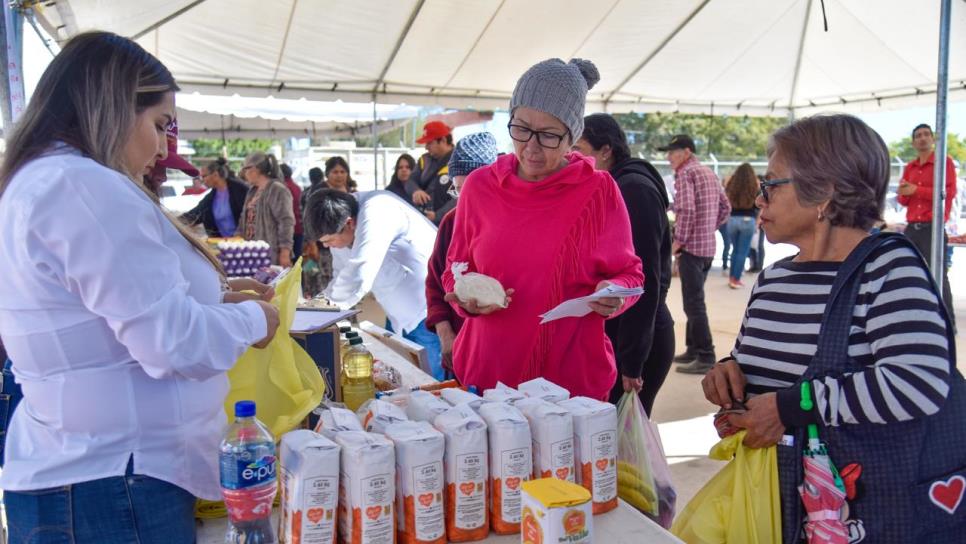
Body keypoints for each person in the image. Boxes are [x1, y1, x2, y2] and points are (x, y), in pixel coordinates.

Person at [0, 31, 280, 542]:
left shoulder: (43, 181)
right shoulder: (82, 185)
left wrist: (214, 299)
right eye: (158, 125)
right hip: (112, 481)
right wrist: (254, 318)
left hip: (94, 473)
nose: (162, 146)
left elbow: (108, 313)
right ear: (111, 107)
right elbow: (172, 343)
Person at [700, 114, 963, 542]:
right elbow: (778, 373)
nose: (758, 198)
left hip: (863, 513)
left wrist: (789, 408)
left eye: (771, 184)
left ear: (824, 190)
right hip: (781, 507)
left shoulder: (887, 268)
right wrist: (731, 377)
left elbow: (920, 381)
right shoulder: (773, 279)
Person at [441, 58, 643, 401]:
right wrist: (466, 300)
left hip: (569, 382)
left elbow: (631, 275)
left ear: (572, 136)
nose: (531, 147)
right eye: (521, 128)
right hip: (489, 375)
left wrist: (614, 293)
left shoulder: (597, 191)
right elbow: (454, 269)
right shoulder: (479, 187)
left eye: (549, 135)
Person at [574, 113, 674, 415]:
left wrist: (632, 361)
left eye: (580, 149)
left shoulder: (633, 189)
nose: (573, 158)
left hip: (638, 338)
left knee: (623, 447)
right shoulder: (612, 185)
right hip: (623, 334)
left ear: (606, 151)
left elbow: (645, 282)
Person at [304, 188, 444, 378]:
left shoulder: (378, 209)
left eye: (329, 240)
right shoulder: (340, 221)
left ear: (349, 223)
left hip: (426, 309)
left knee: (431, 383)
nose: (327, 246)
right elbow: (341, 274)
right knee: (403, 376)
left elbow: (359, 271)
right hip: (398, 310)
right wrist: (317, 307)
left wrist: (317, 312)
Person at [425, 132, 498, 375]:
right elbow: (435, 284)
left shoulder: (511, 222)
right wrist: (446, 335)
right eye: (459, 190)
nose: (467, 200)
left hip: (498, 349)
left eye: (475, 189)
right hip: (461, 349)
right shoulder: (451, 221)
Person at [660, 134, 730, 374]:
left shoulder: (686, 174)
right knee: (695, 302)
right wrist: (708, 228)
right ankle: (693, 349)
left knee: (694, 304)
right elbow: (725, 207)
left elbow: (687, 209)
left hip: (691, 249)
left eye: (672, 152)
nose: (669, 157)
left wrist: (679, 241)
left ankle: (706, 354)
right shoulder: (708, 172)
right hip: (707, 248)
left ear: (686, 152)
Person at [898, 123, 957, 331]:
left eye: (926, 134)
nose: (922, 138)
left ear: (933, 139)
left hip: (933, 225)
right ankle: (913, 319)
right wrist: (906, 192)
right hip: (913, 226)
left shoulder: (944, 163)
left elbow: (946, 194)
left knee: (938, 274)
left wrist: (916, 190)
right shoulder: (910, 167)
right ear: (913, 142)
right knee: (907, 273)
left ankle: (948, 323)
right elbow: (903, 199)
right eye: (918, 135)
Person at [237, 152, 295, 266]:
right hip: (252, 253)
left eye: (245, 169)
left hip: (271, 254)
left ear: (254, 169)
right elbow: (243, 220)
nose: (244, 173)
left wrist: (285, 253)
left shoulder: (277, 189)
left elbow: (286, 221)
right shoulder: (252, 191)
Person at [181, 157, 248, 238]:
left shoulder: (240, 190)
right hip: (222, 245)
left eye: (204, 176)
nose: (202, 180)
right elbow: (193, 214)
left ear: (215, 174)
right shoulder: (210, 197)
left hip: (244, 244)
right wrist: (172, 222)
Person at [408, 121, 455, 224]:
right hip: (425, 220)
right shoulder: (424, 160)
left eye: (429, 143)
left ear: (442, 140)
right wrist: (416, 190)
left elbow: (461, 197)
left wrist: (437, 216)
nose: (426, 147)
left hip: (449, 224)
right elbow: (410, 181)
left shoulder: (460, 161)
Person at [722, 163, 759, 289]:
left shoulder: (731, 184)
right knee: (742, 252)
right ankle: (736, 279)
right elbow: (758, 206)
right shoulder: (754, 185)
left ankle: (732, 276)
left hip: (732, 219)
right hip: (748, 220)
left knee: (735, 250)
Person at [280, 163, 304, 261]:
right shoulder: (297, 187)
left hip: (288, 231)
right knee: (296, 261)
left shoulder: (282, 188)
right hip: (299, 228)